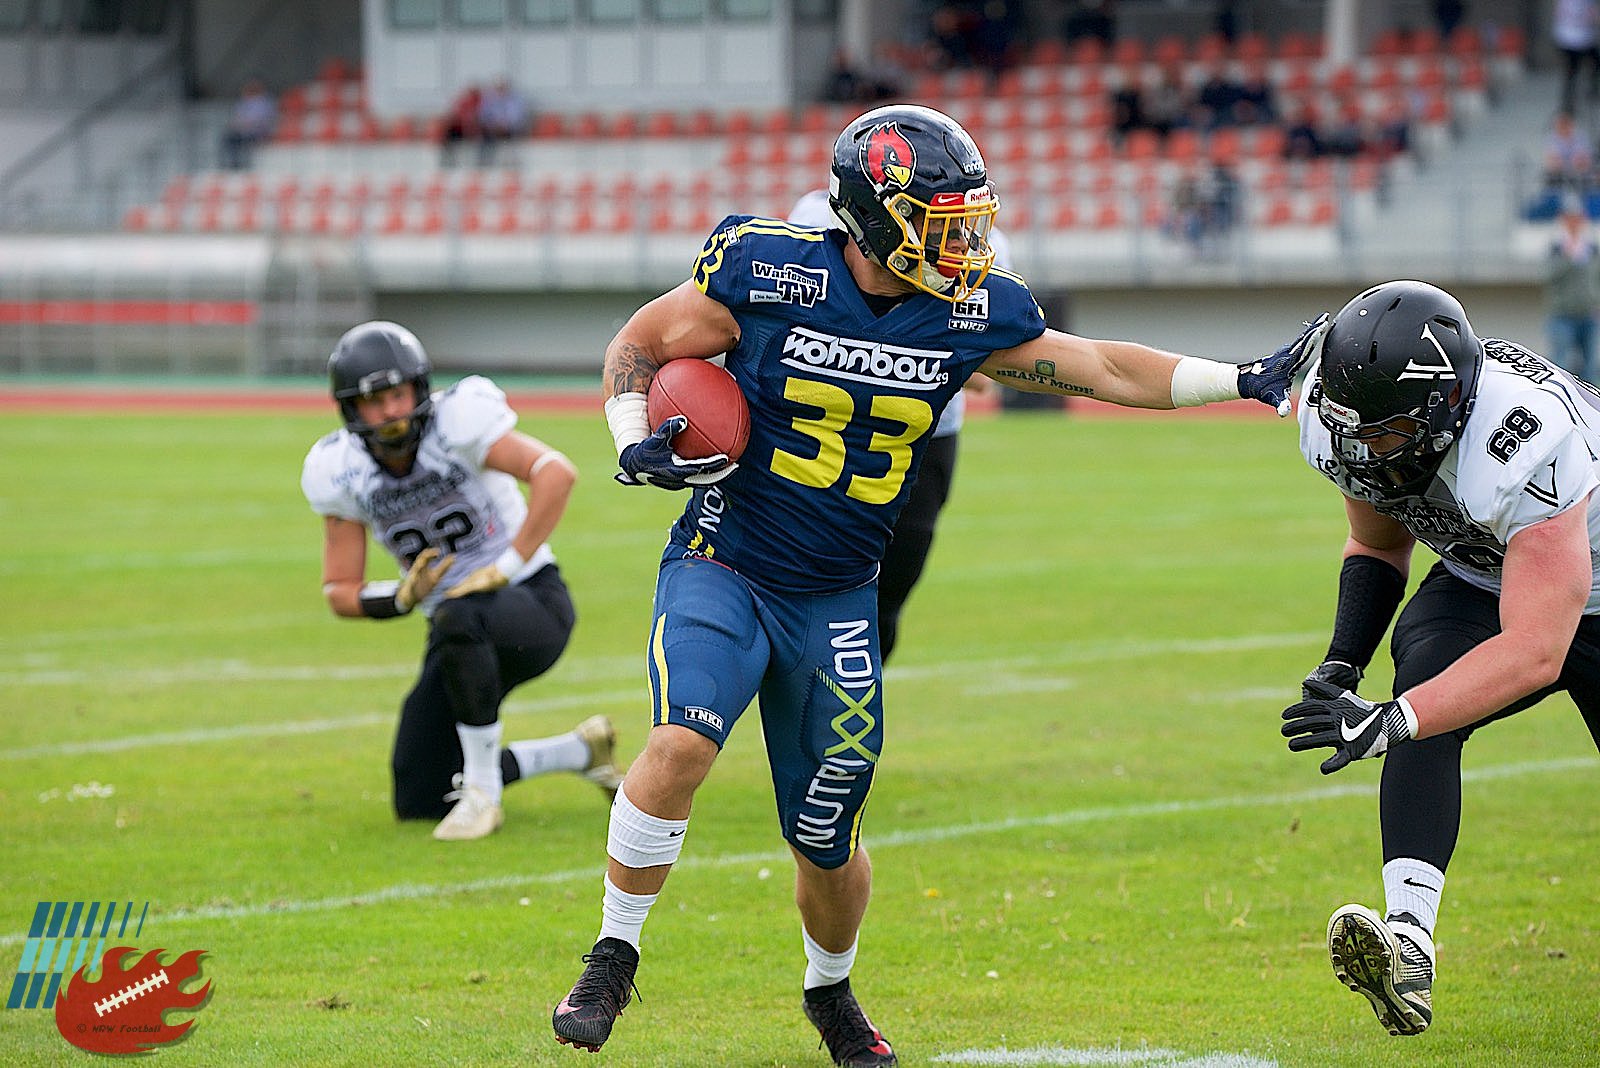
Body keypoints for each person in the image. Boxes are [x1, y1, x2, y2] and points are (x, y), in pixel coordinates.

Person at [549, 103, 1316, 1066]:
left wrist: (1240, 377)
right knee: (680, 741)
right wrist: (634, 441)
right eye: (941, 221)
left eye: (969, 221)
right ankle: (612, 956)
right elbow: (643, 339)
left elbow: (1102, 367)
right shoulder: (768, 268)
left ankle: (829, 991)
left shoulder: (969, 312)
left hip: (839, 593)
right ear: (877, 217)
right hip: (726, 562)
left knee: (827, 834)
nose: (964, 243)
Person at [1278, 280, 1600, 1037]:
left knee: (1413, 713)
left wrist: (1390, 721)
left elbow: (1535, 650)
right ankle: (1409, 945)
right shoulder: (1345, 418)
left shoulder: (1523, 440)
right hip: (1485, 571)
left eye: (1387, 432)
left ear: (1445, 407)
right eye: (1353, 429)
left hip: (1577, 581)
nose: (1364, 449)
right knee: (1425, 685)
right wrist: (1343, 663)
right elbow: (1377, 541)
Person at [300, 321, 624, 842]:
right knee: (420, 795)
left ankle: (482, 795)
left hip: (531, 601)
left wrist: (506, 566)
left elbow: (554, 472)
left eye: (398, 394)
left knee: (457, 613)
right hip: (454, 629)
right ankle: (578, 751)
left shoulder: (457, 424)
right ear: (350, 409)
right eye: (374, 402)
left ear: (419, 389)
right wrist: (400, 597)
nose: (391, 411)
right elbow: (339, 589)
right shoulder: (340, 470)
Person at [785, 186, 1015, 660]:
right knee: (794, 585)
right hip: (823, 426)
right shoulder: (814, 216)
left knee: (885, 601)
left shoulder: (985, 244)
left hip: (920, 439)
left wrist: (898, 354)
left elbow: (985, 377)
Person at [1546, 194, 1600, 382]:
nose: (1574, 222)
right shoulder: (1557, 247)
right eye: (1570, 218)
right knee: (1561, 364)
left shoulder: (1592, 248)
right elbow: (1549, 275)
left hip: (1589, 315)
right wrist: (1568, 256)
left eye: (1577, 217)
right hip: (1563, 315)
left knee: (1590, 367)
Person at [219, 79, 277, 171]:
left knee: (241, 139)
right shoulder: (243, 102)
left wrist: (246, 124)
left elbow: (262, 121)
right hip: (243, 132)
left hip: (259, 133)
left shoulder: (265, 102)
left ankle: (245, 167)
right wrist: (239, 125)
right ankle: (233, 165)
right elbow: (236, 119)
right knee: (228, 138)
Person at [477, 77, 529, 166]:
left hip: (510, 129)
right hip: (492, 129)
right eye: (499, 87)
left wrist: (505, 124)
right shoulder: (489, 100)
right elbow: (483, 116)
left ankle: (512, 163)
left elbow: (518, 117)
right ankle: (485, 163)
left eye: (502, 87)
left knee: (511, 137)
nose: (501, 89)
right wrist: (494, 124)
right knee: (485, 138)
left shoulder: (515, 100)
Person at [439, 83, 483, 168]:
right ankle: (449, 159)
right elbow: (458, 117)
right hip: (461, 130)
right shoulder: (464, 103)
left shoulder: (481, 105)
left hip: (474, 130)